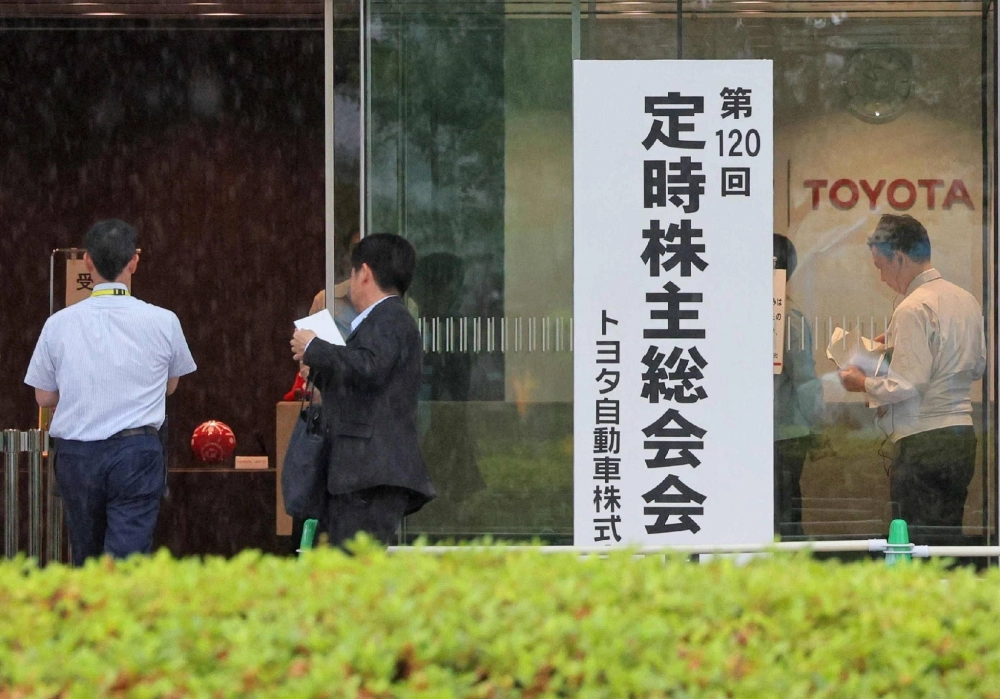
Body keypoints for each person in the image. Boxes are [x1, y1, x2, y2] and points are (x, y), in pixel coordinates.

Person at [24, 219, 196, 565]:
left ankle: (91, 614)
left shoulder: (59, 323)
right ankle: (123, 614)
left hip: (77, 457)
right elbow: (172, 385)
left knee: (86, 556)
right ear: (134, 260)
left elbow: (43, 397)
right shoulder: (164, 320)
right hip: (137, 452)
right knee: (128, 560)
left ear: (87, 261)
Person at [839, 214, 986, 545]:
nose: (881, 278)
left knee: (916, 544)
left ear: (899, 258)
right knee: (948, 541)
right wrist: (896, 349)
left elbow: (907, 384)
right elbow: (977, 367)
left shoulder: (912, 308)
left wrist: (860, 382)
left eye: (880, 266)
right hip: (962, 436)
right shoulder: (966, 299)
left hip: (922, 441)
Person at [290, 233, 436, 546]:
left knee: (353, 571)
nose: (351, 282)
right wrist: (317, 370)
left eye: (353, 274)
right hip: (364, 473)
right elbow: (365, 383)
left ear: (364, 273)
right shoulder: (386, 319)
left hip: (370, 474)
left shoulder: (390, 317)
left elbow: (369, 366)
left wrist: (316, 347)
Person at [773, 234, 823, 538]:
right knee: (786, 509)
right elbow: (805, 380)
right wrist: (820, 423)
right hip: (788, 433)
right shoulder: (790, 320)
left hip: (773, 435)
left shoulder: (733, 317)